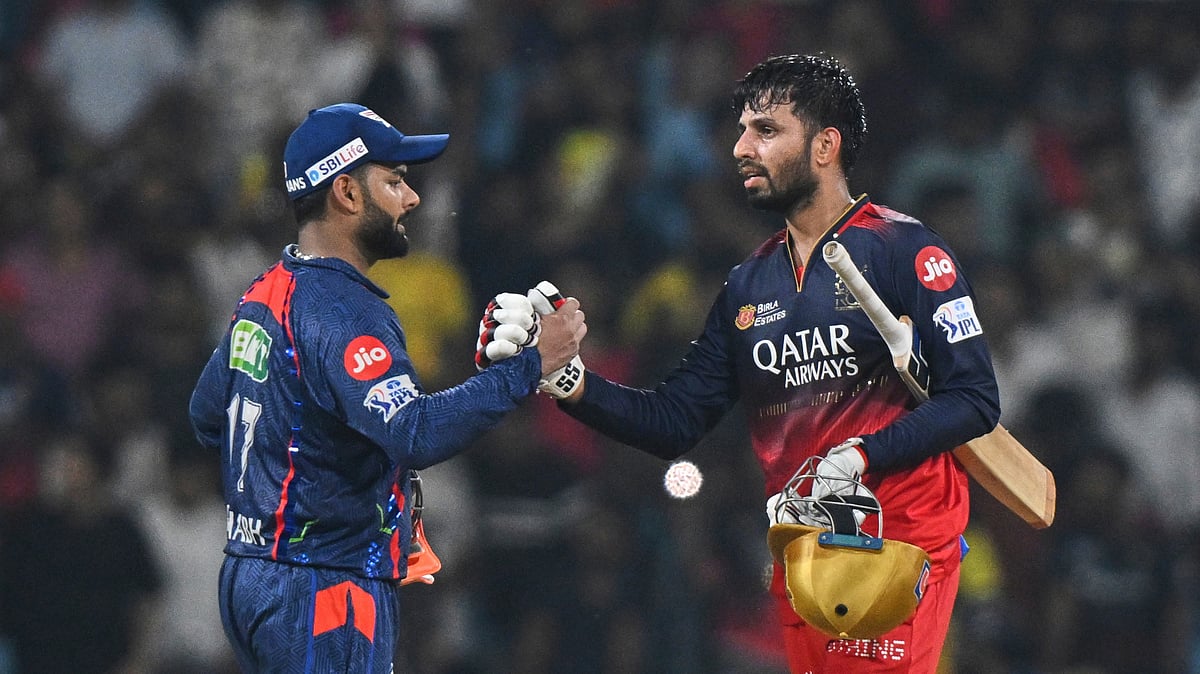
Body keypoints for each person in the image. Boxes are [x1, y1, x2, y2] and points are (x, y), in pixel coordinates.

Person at [527, 54, 1001, 672]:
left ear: (826, 145)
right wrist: (569, 380)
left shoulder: (906, 250)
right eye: (743, 131)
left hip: (899, 545)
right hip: (802, 553)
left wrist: (860, 456)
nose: (741, 148)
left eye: (766, 131)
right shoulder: (748, 284)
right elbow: (675, 420)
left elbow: (974, 400)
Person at [188, 102, 585, 673]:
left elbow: (207, 415)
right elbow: (415, 432)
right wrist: (530, 364)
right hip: (325, 586)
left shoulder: (265, 293)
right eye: (395, 181)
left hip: (252, 575)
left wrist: (293, 477)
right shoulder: (345, 311)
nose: (413, 198)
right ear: (347, 193)